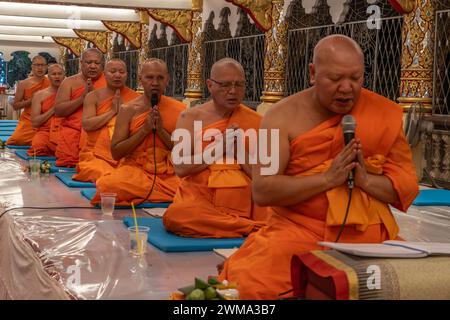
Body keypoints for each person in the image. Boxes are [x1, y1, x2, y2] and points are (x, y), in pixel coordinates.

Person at [218, 35, 419, 299]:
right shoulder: (278, 117)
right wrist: (327, 179)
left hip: (368, 238)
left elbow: (406, 189)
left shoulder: (383, 114)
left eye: (356, 78)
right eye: (335, 79)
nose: (347, 88)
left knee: (419, 284)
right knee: (248, 288)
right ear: (313, 73)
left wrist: (365, 181)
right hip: (299, 231)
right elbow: (263, 190)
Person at [162, 58, 269, 238]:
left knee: (281, 210)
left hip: (246, 200)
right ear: (210, 85)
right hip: (201, 198)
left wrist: (239, 153)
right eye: (225, 85)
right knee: (177, 216)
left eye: (239, 85)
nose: (233, 91)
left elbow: (264, 178)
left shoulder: (257, 121)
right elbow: (180, 168)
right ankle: (249, 227)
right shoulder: (190, 117)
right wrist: (218, 149)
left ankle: (237, 225)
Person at [91, 58, 186, 206]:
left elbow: (183, 152)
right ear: (141, 79)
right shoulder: (128, 109)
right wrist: (144, 130)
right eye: (149, 77)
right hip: (136, 171)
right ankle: (159, 194)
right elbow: (116, 152)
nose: (155, 82)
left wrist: (160, 130)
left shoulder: (180, 109)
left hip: (168, 173)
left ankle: (155, 193)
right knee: (108, 186)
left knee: (193, 188)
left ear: (167, 80)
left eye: (160, 78)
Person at [72, 59, 140, 182]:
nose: (117, 75)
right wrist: (112, 112)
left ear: (127, 74)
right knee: (98, 172)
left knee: (135, 175)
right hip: (96, 154)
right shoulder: (93, 96)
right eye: (112, 71)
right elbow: (87, 125)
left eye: (121, 72)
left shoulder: (137, 98)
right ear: (104, 73)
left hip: (125, 154)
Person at [54, 48, 106, 167]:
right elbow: (58, 111)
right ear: (81, 63)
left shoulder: (109, 83)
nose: (92, 66)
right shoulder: (69, 82)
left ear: (103, 65)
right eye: (88, 62)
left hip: (99, 132)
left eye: (97, 63)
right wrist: (82, 98)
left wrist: (95, 98)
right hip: (73, 133)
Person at [6, 55, 50, 146]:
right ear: (32, 66)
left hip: (47, 118)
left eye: (42, 65)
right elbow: (15, 106)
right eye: (37, 65)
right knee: (17, 140)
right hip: (29, 119)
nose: (40, 68)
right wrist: (31, 101)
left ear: (46, 67)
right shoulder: (23, 84)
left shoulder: (51, 82)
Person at [27, 64, 65, 156]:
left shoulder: (72, 93)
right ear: (48, 76)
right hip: (46, 132)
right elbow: (34, 122)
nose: (57, 76)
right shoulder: (40, 95)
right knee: (38, 146)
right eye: (54, 74)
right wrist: (53, 110)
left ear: (64, 76)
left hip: (64, 130)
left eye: (60, 74)